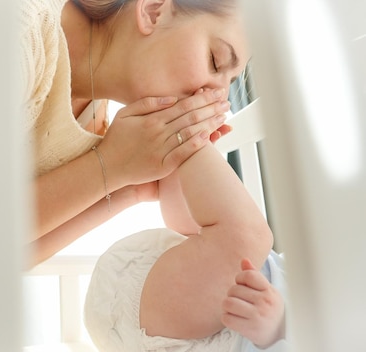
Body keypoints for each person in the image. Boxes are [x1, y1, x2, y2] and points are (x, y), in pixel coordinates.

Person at [21, 0, 248, 268]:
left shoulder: (94, 122)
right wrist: (112, 163)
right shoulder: (23, 37)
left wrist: (134, 187)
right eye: (215, 60)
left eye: (228, 84)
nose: (215, 96)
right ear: (153, 11)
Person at [83, 91, 289, 350]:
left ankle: (186, 131)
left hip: (233, 333)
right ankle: (179, 147)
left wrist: (281, 328)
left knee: (248, 238)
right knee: (214, 237)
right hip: (189, 298)